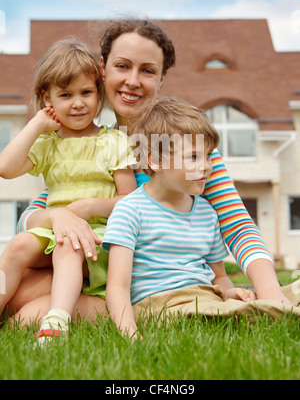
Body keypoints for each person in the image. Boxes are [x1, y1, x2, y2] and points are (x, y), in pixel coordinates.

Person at [6, 17, 294, 325]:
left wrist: (271, 296)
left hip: (144, 287)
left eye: (147, 70)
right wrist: (61, 215)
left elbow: (238, 226)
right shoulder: (88, 143)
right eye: (122, 66)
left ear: (161, 79)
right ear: (102, 69)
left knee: (25, 302)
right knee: (21, 290)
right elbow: (34, 216)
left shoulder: (188, 152)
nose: (133, 80)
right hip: (87, 268)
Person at [103, 97, 300, 339]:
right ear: (155, 160)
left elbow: (219, 277)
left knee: (294, 291)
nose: (207, 166)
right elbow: (117, 287)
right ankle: (268, 314)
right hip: (161, 305)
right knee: (225, 314)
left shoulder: (207, 212)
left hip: (206, 298)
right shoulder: (130, 210)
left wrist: (229, 293)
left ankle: (266, 309)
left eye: (208, 156)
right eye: (194, 157)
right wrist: (131, 335)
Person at [0, 37, 137, 341]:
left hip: (96, 238)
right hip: (54, 230)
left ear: (98, 93)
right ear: (47, 98)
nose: (78, 103)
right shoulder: (48, 144)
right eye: (65, 94)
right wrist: (37, 124)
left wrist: (90, 207)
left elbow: (129, 200)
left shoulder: (112, 142)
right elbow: (6, 168)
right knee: (18, 245)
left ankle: (57, 320)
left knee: (68, 245)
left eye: (86, 92)